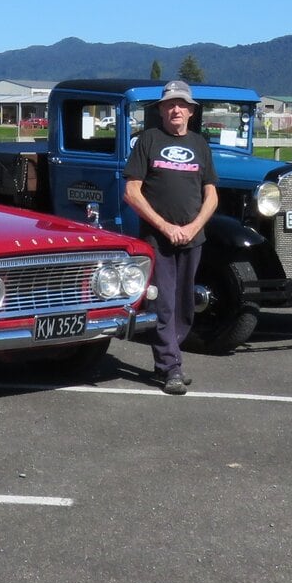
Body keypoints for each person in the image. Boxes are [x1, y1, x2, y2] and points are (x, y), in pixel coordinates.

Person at [123, 80, 218, 393]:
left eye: (181, 104)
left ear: (191, 111)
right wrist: (164, 226)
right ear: (161, 110)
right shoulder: (148, 140)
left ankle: (170, 357)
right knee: (163, 303)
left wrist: (193, 227)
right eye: (169, 104)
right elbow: (132, 192)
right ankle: (170, 367)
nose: (176, 109)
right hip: (158, 239)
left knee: (185, 304)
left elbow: (212, 194)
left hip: (194, 238)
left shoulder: (200, 144)